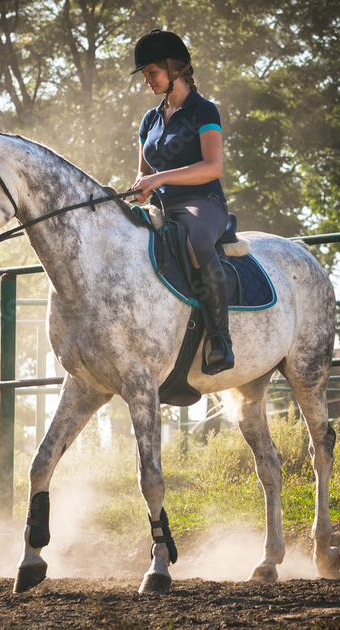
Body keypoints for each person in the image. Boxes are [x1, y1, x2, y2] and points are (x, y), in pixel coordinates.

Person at [130, 28, 234, 375]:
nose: (147, 80)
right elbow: (143, 174)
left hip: (202, 202)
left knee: (197, 238)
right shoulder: (149, 119)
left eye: (152, 73)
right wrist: (138, 189)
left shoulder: (204, 111)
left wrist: (160, 178)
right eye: (145, 75)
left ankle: (220, 337)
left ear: (175, 69)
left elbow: (212, 166)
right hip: (159, 204)